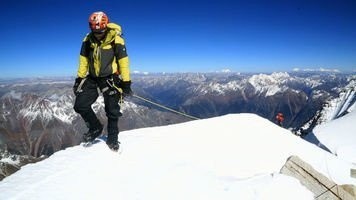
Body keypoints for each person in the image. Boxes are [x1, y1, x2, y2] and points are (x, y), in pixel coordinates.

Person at [73, 11, 132, 151]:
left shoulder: (116, 39)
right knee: (80, 105)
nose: (97, 34)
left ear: (105, 27)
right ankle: (95, 127)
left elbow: (123, 62)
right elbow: (84, 60)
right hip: (93, 78)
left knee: (112, 110)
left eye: (100, 31)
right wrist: (79, 78)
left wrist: (126, 82)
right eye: (95, 31)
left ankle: (112, 139)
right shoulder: (88, 39)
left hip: (110, 79)